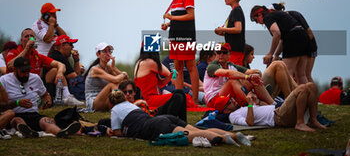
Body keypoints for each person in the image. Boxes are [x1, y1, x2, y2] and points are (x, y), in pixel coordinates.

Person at [107, 89, 251, 147]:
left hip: (154, 125)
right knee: (194, 129)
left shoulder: (114, 110)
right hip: (165, 118)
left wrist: (112, 131)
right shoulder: (130, 105)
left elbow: (118, 132)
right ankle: (235, 135)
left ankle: (227, 139)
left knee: (192, 135)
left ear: (112, 103)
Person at [0, 57, 81, 138]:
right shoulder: (4, 80)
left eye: (28, 71)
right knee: (17, 120)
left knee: (46, 121)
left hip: (33, 114)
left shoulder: (35, 78)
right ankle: (27, 131)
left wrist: (47, 101)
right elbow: (1, 106)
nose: (26, 74)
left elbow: (45, 95)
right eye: (23, 72)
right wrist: (17, 103)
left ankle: (60, 132)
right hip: (15, 115)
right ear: (14, 69)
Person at [6, 28, 81, 105]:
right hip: (15, 88)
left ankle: (65, 97)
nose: (73, 47)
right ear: (21, 40)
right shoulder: (14, 52)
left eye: (31, 36)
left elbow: (61, 65)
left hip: (32, 89)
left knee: (56, 70)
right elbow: (10, 66)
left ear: (35, 39)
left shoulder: (37, 56)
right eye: (26, 36)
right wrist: (26, 49)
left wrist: (60, 73)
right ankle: (65, 97)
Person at [161, 0, 199, 104]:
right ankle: (180, 99)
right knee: (177, 67)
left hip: (185, 36)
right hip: (175, 35)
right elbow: (179, 17)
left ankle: (194, 99)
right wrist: (169, 24)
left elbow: (191, 15)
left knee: (190, 66)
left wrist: (171, 17)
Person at [228, 83, 327, 132]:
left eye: (231, 99)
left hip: (277, 110)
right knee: (302, 88)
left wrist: (257, 102)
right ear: (225, 109)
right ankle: (299, 123)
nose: (233, 100)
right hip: (278, 117)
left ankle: (313, 120)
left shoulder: (242, 108)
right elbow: (249, 123)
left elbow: (266, 109)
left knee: (311, 86)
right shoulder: (233, 116)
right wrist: (249, 104)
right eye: (229, 102)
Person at [250, 5, 310, 84]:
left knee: (287, 73)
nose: (257, 23)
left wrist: (270, 54)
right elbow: (282, 40)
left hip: (293, 37)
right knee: (301, 75)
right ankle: (307, 96)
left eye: (256, 20)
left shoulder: (267, 18)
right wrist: (276, 55)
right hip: (303, 35)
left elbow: (277, 33)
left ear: (260, 15)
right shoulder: (276, 15)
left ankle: (292, 96)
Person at [203, 43, 274, 108]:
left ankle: (273, 104)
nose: (221, 54)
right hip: (214, 101)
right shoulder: (212, 66)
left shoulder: (231, 65)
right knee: (233, 80)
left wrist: (256, 76)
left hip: (230, 98)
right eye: (218, 52)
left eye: (224, 52)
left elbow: (254, 72)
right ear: (215, 54)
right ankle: (254, 101)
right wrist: (247, 77)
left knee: (253, 80)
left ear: (229, 54)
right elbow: (228, 73)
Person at [270, 2, 317, 83]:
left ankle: (311, 95)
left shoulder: (293, 15)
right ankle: (302, 94)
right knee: (299, 75)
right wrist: (276, 55)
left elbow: (309, 32)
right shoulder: (283, 20)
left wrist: (304, 47)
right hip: (302, 45)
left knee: (305, 74)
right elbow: (283, 41)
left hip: (309, 46)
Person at [84, 42, 128, 112]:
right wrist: (124, 73)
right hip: (93, 102)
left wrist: (114, 68)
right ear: (98, 55)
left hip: (104, 100)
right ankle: (125, 107)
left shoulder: (109, 67)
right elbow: (116, 79)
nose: (108, 54)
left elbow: (125, 80)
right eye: (104, 51)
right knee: (111, 85)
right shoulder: (95, 69)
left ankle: (126, 106)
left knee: (120, 84)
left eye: (109, 51)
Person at [119, 80, 187, 121]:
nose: (127, 94)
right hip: (150, 122)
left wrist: (156, 110)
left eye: (130, 92)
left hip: (153, 117)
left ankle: (183, 122)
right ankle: (174, 124)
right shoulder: (122, 105)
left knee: (179, 92)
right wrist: (136, 104)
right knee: (177, 97)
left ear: (134, 93)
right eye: (125, 92)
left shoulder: (139, 101)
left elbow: (149, 113)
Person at [47, 35, 85, 101]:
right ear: (63, 45)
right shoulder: (58, 57)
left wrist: (76, 61)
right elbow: (75, 78)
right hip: (52, 92)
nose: (73, 47)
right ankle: (67, 97)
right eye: (71, 44)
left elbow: (76, 77)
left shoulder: (59, 55)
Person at [214, 0, 245, 66]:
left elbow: (238, 29)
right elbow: (233, 31)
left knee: (234, 75)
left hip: (236, 50)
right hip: (233, 50)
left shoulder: (236, 10)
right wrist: (222, 32)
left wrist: (223, 29)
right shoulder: (234, 10)